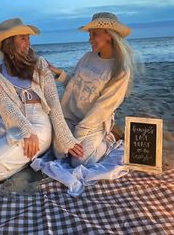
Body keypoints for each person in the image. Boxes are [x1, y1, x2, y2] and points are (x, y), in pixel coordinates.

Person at [0, 18, 83, 183]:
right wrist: (25, 130)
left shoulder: (39, 64)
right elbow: (5, 107)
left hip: (39, 124)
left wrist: (65, 138)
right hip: (9, 122)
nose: (28, 43)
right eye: (23, 38)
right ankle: (18, 154)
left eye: (28, 38)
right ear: (9, 43)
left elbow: (53, 103)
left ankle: (26, 159)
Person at [48, 12, 134, 167]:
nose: (90, 39)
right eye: (90, 34)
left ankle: (109, 139)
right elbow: (76, 87)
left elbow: (103, 108)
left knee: (80, 161)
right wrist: (59, 74)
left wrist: (78, 135)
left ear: (109, 35)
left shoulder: (120, 70)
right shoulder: (88, 57)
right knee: (59, 153)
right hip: (70, 116)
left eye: (94, 34)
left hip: (92, 123)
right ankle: (99, 137)